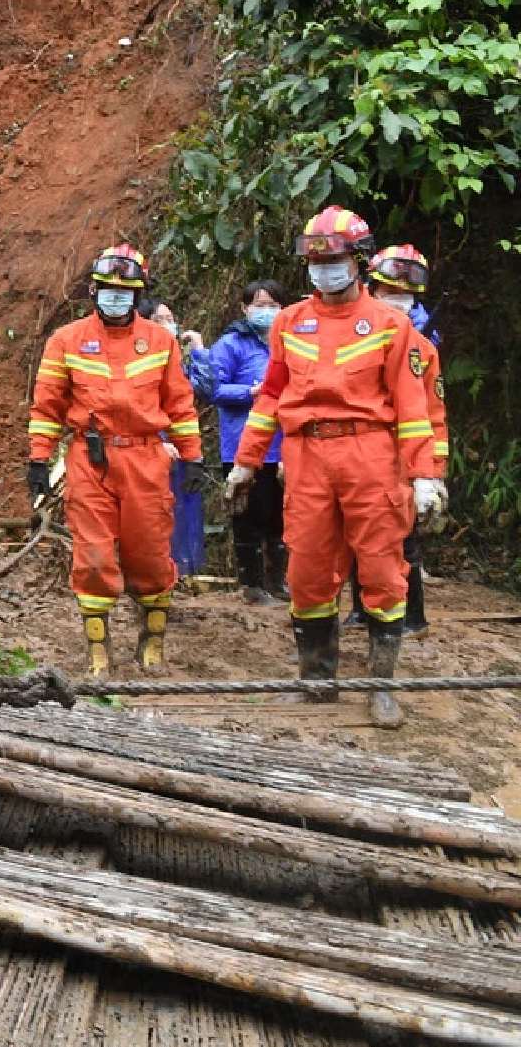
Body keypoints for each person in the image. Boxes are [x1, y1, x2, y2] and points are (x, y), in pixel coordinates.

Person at [225, 208, 444, 728]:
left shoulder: (391, 325)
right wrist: (246, 462)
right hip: (306, 458)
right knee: (307, 570)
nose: (324, 269)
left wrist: (426, 476)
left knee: (382, 570)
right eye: (316, 261)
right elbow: (271, 396)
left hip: (371, 456)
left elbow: (413, 409)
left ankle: (381, 686)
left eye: (334, 259)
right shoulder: (289, 322)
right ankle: (316, 682)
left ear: (359, 261)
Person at [28, 246, 203, 676]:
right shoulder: (66, 340)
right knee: (93, 556)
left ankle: (152, 641)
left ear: (139, 294)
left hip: (146, 458)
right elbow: (47, 407)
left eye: (125, 291)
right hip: (90, 460)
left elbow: (180, 404)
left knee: (150, 554)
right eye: (107, 289)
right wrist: (38, 460)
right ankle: (98, 650)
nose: (115, 297)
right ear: (93, 290)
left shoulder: (160, 341)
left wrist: (193, 457)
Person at [348, 245, 447, 638]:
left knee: (403, 541)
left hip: (403, 457)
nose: (397, 300)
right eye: (390, 292)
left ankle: (412, 617)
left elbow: (433, 414)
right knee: (355, 536)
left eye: (405, 295)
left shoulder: (423, 349)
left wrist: (432, 474)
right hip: (356, 454)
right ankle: (360, 611)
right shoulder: (351, 337)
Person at [196, 280, 288, 605]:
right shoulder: (231, 344)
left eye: (273, 305)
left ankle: (279, 582)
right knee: (247, 516)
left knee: (281, 517)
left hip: (285, 447)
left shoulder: (289, 341)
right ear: (245, 308)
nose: (267, 312)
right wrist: (249, 392)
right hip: (241, 446)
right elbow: (212, 389)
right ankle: (252, 586)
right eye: (260, 305)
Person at [146, 302, 205, 581]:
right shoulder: (141, 360)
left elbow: (202, 389)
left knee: (185, 509)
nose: (167, 325)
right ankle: (158, 573)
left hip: (182, 444)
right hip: (150, 447)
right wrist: (156, 441)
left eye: (170, 319)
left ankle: (184, 571)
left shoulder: (178, 359)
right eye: (159, 319)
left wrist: (199, 351)